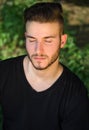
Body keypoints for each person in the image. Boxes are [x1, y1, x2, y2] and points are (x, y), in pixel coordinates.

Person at [0, 2, 89, 130]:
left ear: (62, 41)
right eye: (32, 40)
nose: (38, 50)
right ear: (25, 38)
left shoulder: (75, 94)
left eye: (47, 40)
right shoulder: (4, 72)